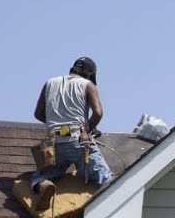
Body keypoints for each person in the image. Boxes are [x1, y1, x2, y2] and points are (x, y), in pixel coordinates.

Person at [29, 57, 113, 210]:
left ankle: (43, 185)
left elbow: (38, 114)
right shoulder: (88, 85)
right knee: (105, 177)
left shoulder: (50, 83)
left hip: (53, 144)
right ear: (89, 74)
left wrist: (55, 124)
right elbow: (98, 113)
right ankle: (96, 209)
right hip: (77, 140)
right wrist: (87, 130)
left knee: (41, 176)